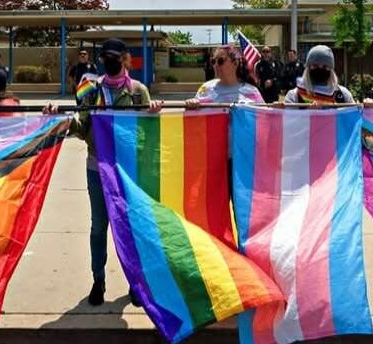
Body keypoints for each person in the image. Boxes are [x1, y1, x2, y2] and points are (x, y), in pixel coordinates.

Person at [45, 38, 162, 308]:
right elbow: (81, 126)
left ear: (125, 58)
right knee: (99, 227)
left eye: (115, 57)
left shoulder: (138, 91)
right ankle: (98, 280)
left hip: (128, 171)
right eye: (105, 57)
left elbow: (147, 132)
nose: (110, 62)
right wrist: (61, 118)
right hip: (97, 167)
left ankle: (136, 283)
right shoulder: (89, 89)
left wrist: (153, 114)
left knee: (131, 228)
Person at [186, 43, 263, 106]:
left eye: (220, 61)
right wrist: (191, 105)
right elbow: (196, 116)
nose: (215, 65)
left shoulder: (251, 91)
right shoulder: (205, 88)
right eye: (213, 61)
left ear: (235, 63)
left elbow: (263, 117)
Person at [284, 45, 353, 106]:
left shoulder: (343, 94)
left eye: (325, 66)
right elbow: (289, 116)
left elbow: (354, 115)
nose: (320, 69)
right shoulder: (294, 96)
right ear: (308, 68)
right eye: (315, 66)